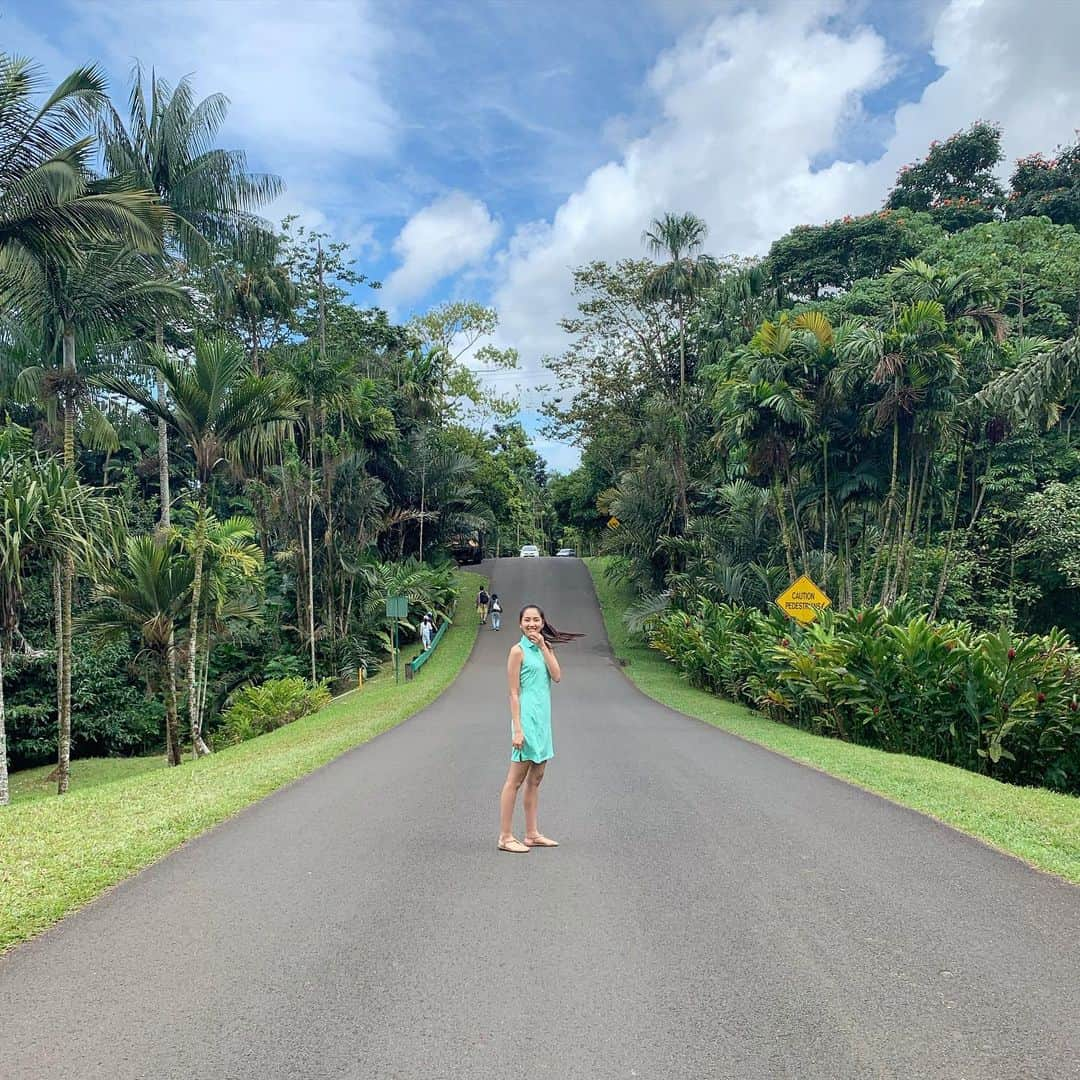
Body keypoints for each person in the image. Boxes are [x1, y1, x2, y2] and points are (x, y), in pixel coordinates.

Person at [497, 604, 583, 853]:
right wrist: (517, 729)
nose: (532, 624)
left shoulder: (545, 648)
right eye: (527, 620)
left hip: (543, 722)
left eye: (536, 620)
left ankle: (532, 834)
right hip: (526, 721)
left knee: (536, 779)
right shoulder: (517, 651)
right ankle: (505, 836)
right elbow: (513, 692)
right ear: (520, 624)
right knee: (515, 780)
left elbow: (556, 676)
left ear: (543, 622)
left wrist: (544, 646)